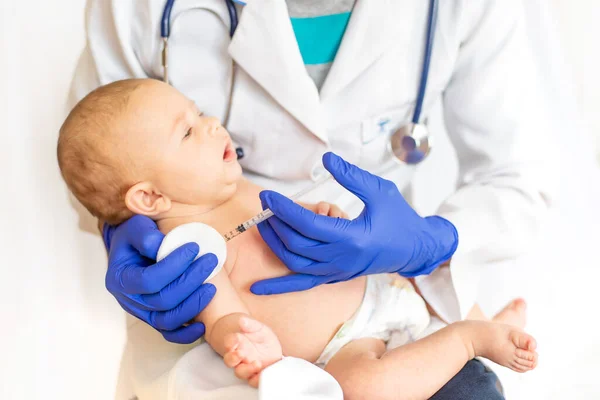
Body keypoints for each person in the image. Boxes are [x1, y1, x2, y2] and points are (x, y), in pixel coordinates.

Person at [69, 0, 556, 398]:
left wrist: (426, 241)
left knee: (434, 294)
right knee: (363, 387)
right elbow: (103, 149)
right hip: (336, 349)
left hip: (384, 278)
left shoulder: (240, 188)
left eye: (201, 114)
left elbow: (516, 174)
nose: (214, 125)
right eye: (189, 130)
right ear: (149, 196)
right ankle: (470, 337)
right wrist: (120, 234)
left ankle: (481, 326)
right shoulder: (187, 247)